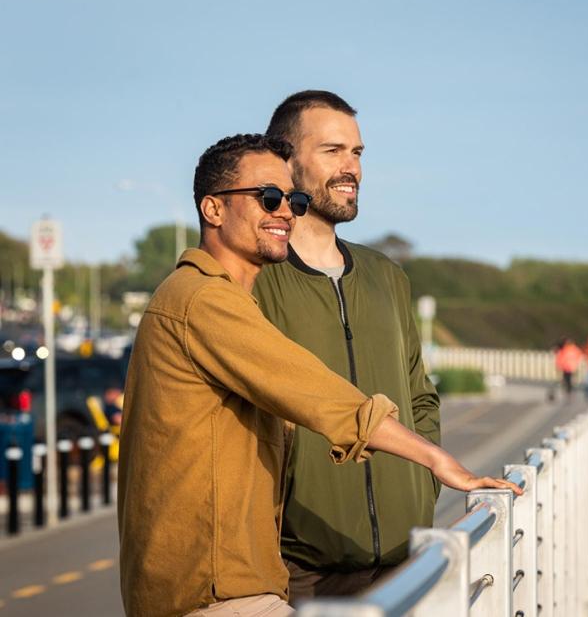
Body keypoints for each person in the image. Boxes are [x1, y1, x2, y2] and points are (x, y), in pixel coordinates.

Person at [117, 133, 521, 617]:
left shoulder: (218, 298)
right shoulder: (203, 300)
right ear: (213, 209)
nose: (286, 211)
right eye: (267, 197)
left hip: (234, 582)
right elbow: (317, 393)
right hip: (214, 592)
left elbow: (416, 394)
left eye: (295, 199)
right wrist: (438, 462)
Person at [254, 91, 441, 603]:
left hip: (407, 562)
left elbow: (420, 397)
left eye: (357, 153)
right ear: (286, 161)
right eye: (333, 151)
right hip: (304, 570)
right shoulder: (257, 278)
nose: (350, 168)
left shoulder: (387, 277)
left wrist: (421, 492)